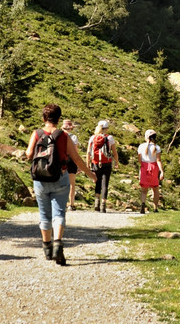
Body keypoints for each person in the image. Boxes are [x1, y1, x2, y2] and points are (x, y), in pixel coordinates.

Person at [23, 104, 87, 265]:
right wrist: (91, 174)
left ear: (43, 118)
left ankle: (47, 248)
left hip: (40, 180)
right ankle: (58, 243)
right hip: (60, 177)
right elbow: (77, 158)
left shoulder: (36, 134)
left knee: (44, 215)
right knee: (59, 213)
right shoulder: (64, 136)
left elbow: (29, 154)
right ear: (59, 119)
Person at [85, 120, 119, 213]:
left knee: (97, 182)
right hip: (107, 163)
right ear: (106, 128)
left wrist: (87, 164)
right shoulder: (110, 138)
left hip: (95, 163)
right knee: (105, 184)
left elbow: (88, 152)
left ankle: (96, 203)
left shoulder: (92, 138)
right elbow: (114, 152)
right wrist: (116, 162)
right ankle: (103, 205)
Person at [136, 129, 163, 213]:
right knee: (155, 189)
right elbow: (158, 160)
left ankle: (143, 204)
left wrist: (142, 166)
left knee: (144, 190)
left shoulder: (141, 146)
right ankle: (155, 208)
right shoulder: (157, 147)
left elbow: (139, 159)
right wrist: (161, 171)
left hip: (144, 167)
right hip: (154, 167)